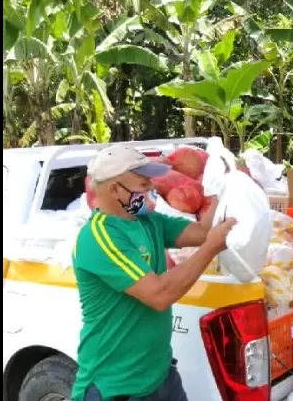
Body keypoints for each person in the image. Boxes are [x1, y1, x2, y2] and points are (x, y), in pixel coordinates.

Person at [72, 145, 237, 401]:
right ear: (114, 189)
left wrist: (221, 190)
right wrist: (211, 247)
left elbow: (204, 232)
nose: (151, 188)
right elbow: (159, 295)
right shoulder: (99, 237)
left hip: (161, 376)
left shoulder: (149, 221)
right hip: (118, 387)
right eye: (142, 183)